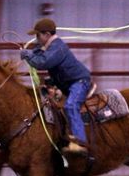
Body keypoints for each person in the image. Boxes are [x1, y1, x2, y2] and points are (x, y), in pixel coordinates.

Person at [20, 18, 92, 156]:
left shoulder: (57, 47)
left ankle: (81, 143)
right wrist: (31, 53)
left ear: (47, 34)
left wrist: (28, 55)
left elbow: (43, 62)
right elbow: (41, 54)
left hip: (79, 82)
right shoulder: (52, 47)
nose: (36, 39)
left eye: (38, 35)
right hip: (69, 83)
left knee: (70, 106)